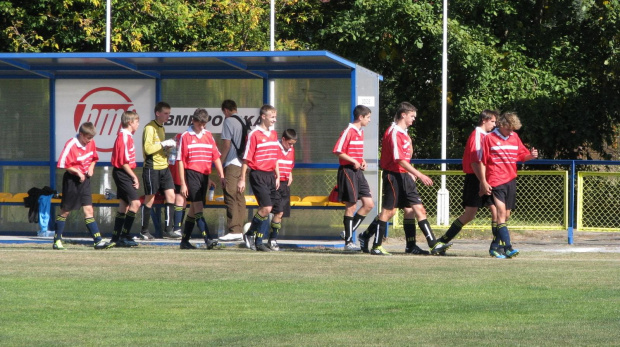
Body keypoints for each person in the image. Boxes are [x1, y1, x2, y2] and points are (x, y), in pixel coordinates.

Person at [359, 102, 452, 255]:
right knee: (389, 212)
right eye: (412, 116)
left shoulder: (403, 133)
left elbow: (406, 156)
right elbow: (399, 160)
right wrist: (419, 174)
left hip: (404, 175)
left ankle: (425, 245)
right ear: (403, 115)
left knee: (414, 210)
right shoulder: (394, 132)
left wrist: (409, 172)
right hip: (394, 176)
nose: (414, 119)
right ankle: (375, 244)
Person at [435, 110, 498, 254]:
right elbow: (475, 162)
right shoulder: (477, 136)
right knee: (469, 214)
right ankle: (441, 242)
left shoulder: (488, 136)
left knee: (497, 211)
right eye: (492, 121)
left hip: (486, 179)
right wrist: (482, 181)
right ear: (484, 120)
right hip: (476, 178)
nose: (494, 125)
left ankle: (496, 247)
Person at [481, 112, 538, 258]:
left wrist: (531, 156)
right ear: (501, 124)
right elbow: (482, 161)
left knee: (505, 216)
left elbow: (521, 156)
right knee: (500, 213)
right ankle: (508, 248)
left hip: (510, 180)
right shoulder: (489, 138)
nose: (511, 131)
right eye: (509, 128)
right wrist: (483, 181)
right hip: (496, 180)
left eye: (513, 129)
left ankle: (494, 247)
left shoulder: (514, 138)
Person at [52, 122, 113, 250]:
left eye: (91, 138)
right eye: (87, 138)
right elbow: (63, 164)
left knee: (89, 210)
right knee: (65, 211)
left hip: (85, 180)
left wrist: (91, 168)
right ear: (81, 134)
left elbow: (94, 158)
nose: (89, 141)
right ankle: (57, 240)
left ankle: (98, 241)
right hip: (71, 180)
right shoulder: (71, 144)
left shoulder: (91, 143)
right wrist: (78, 172)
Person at [177, 108, 226, 249]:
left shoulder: (208, 135)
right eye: (200, 124)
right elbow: (180, 160)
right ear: (193, 121)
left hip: (204, 175)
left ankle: (184, 241)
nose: (202, 127)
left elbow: (215, 157)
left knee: (193, 209)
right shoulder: (186, 136)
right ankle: (208, 239)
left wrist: (221, 175)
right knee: (198, 207)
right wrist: (183, 183)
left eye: (204, 124)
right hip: (191, 174)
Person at [332, 105, 375, 251]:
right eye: (368, 117)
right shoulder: (348, 131)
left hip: (357, 172)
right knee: (351, 206)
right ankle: (349, 242)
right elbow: (338, 151)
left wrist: (361, 160)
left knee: (369, 204)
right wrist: (353, 161)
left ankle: (347, 233)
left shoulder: (360, 132)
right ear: (360, 117)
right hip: (347, 171)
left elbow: (354, 152)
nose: (369, 120)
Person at [239, 104, 280, 252]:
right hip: (258, 174)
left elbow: (275, 157)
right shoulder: (254, 134)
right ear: (263, 117)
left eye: (275, 117)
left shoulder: (273, 134)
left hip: (270, 175)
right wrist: (242, 179)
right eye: (272, 117)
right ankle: (250, 234)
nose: (274, 120)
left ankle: (258, 242)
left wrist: (277, 175)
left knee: (269, 210)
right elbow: (247, 159)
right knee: (266, 207)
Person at [138, 101, 179, 240]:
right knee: (150, 198)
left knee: (171, 196)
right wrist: (163, 143)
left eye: (169, 113)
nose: (168, 116)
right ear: (158, 113)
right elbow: (148, 149)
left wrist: (169, 146)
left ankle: (169, 229)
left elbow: (159, 148)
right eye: (166, 113)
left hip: (164, 166)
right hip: (152, 167)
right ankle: (144, 231)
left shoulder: (161, 127)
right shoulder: (149, 128)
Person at [109, 111, 141, 248]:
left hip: (123, 172)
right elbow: (123, 162)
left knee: (124, 205)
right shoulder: (124, 136)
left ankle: (116, 237)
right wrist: (134, 176)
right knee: (136, 203)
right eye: (136, 122)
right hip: (122, 172)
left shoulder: (128, 136)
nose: (138, 124)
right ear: (130, 122)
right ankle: (125, 235)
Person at [218, 100, 246, 242]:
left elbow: (226, 145)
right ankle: (239, 229)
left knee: (230, 195)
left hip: (232, 163)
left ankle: (234, 229)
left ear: (226, 110)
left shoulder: (228, 121)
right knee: (239, 196)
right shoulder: (244, 121)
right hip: (243, 164)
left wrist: (219, 163)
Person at [268, 129, 298, 251]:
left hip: (285, 184)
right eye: (289, 143)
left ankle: (272, 239)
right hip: (276, 183)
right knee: (277, 212)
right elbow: (273, 163)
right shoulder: (276, 147)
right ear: (283, 139)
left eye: (293, 144)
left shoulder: (291, 150)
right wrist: (278, 177)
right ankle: (272, 239)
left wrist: (290, 174)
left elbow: (290, 164)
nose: (291, 146)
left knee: (281, 214)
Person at [168, 131, 187, 237]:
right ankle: (176, 228)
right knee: (180, 199)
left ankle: (178, 227)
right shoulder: (181, 136)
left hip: (185, 174)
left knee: (183, 201)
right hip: (176, 175)